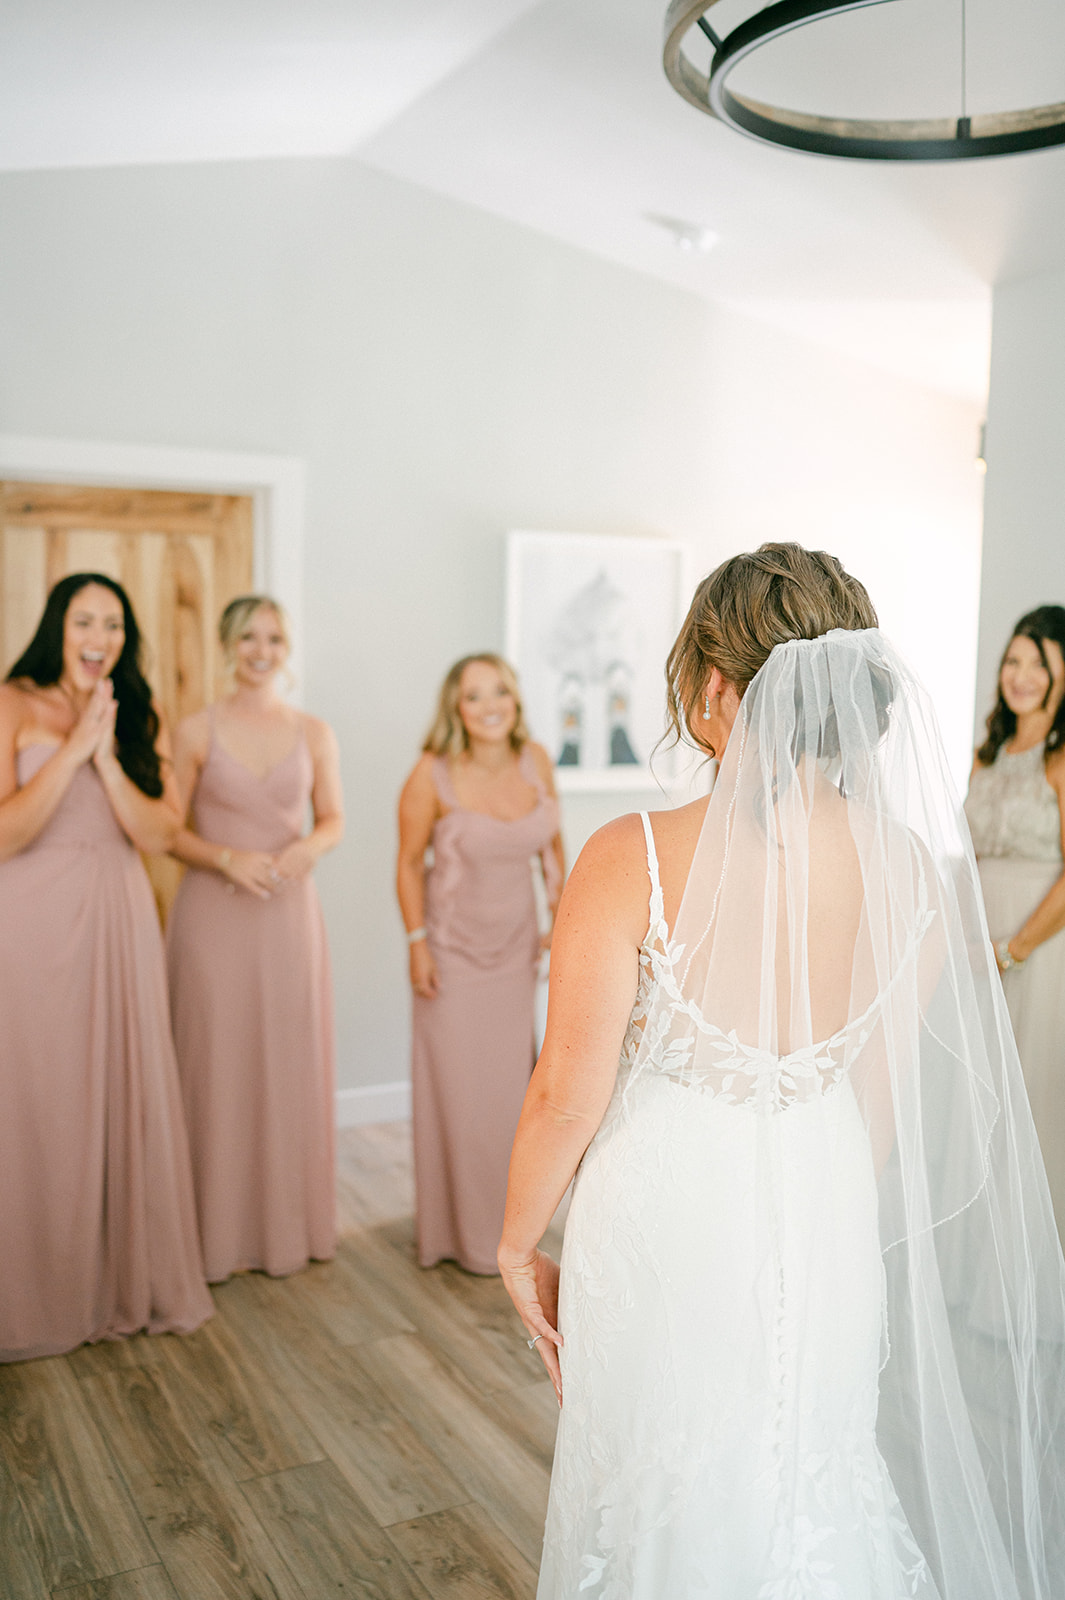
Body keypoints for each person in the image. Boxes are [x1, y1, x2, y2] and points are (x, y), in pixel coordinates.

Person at [500, 544, 1065, 1599]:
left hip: (668, 1208)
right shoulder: (910, 868)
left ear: (715, 688)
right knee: (806, 1470)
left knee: (664, 1477)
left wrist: (513, 1239)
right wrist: (819, 1199)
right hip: (826, 1195)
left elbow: (564, 1089)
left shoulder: (634, 853)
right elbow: (878, 1104)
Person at [0, 572, 212, 1362]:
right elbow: (4, 835)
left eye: (115, 625)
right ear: (58, 626)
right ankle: (34, 1291)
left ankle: (115, 1282)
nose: (101, 636)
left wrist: (110, 757)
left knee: (117, 1090)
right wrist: (72, 754)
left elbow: (159, 833)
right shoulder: (14, 701)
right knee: (38, 1096)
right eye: (85, 620)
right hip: (29, 924)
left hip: (119, 919)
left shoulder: (136, 710)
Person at [166, 595, 343, 1282]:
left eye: (272, 637)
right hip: (214, 917)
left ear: (286, 648)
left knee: (285, 1061)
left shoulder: (314, 731)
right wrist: (225, 858)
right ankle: (208, 1239)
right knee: (215, 1063)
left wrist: (309, 848)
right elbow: (167, 831)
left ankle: (285, 1231)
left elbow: (333, 819)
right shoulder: (193, 730)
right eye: (248, 637)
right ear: (227, 644)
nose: (261, 649)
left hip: (288, 916)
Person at [397, 653, 564, 1274]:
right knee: (461, 1098)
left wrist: (562, 917)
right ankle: (460, 1235)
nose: (490, 705)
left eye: (500, 691)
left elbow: (551, 844)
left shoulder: (536, 760)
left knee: (511, 1097)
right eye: (474, 696)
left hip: (517, 954)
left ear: (515, 699)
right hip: (452, 954)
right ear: (456, 709)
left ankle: (514, 1231)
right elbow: (408, 862)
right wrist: (416, 941)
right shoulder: (431, 774)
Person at [965, 605, 1065, 1237]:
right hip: (980, 950)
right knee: (983, 1107)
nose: (1021, 675)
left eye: (1039, 662)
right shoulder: (990, 752)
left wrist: (1015, 948)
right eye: (1013, 660)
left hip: (1041, 947)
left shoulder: (1062, 761)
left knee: (1032, 1105)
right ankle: (981, 1273)